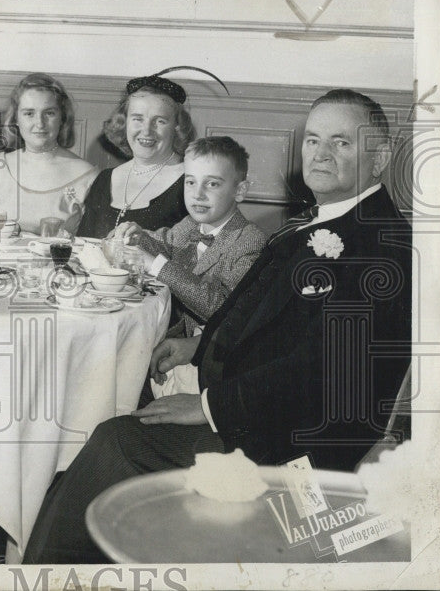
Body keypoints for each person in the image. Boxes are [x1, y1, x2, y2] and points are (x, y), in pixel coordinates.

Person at [23, 89, 411, 564]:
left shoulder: (379, 246)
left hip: (292, 452)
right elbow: (272, 323)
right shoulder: (329, 221)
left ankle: (45, 573)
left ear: (382, 156)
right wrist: (197, 348)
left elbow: (326, 372)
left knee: (116, 441)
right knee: (123, 417)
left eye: (342, 143)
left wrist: (211, 407)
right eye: (312, 140)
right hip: (263, 417)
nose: (321, 154)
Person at [115, 136, 267, 397]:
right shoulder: (191, 224)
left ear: (239, 191)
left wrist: (157, 265)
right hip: (169, 350)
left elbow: (221, 308)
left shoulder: (249, 240)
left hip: (211, 368)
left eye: (212, 184)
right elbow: (164, 242)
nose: (198, 194)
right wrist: (138, 234)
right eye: (190, 182)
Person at [0, 73, 98, 235]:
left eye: (49, 113)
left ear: (62, 117)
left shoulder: (88, 175)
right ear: (16, 119)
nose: (40, 123)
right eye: (29, 113)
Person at [76, 73, 193, 239]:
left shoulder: (192, 182)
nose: (146, 130)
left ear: (177, 126)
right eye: (138, 119)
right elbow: (84, 247)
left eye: (159, 121)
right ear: (124, 123)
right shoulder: (104, 179)